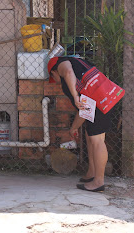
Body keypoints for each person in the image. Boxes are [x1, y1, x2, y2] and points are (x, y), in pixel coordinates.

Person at [47, 56, 112, 192]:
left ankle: (99, 182)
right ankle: (92, 173)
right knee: (90, 137)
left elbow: (68, 72)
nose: (57, 83)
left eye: (54, 78)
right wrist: (74, 128)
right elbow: (84, 110)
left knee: (98, 141)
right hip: (102, 98)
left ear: (54, 72)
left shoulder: (61, 64)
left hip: (99, 101)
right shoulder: (80, 64)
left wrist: (75, 96)